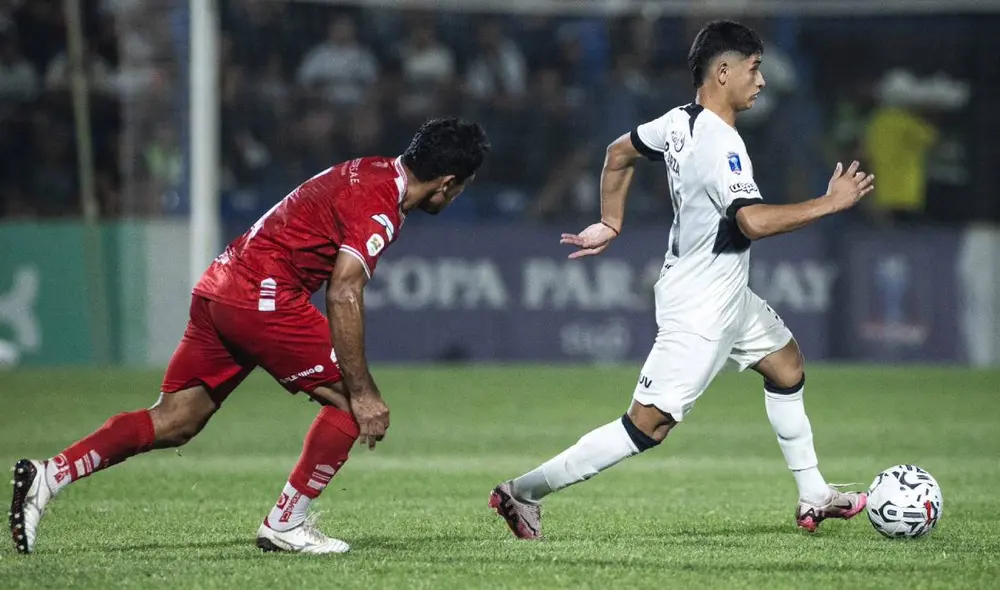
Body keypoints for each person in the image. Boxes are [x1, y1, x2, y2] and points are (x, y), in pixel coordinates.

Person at [10, 118, 490, 555]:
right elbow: (343, 289)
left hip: (221, 287)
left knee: (176, 420)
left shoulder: (370, 171)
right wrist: (364, 393)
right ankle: (286, 523)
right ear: (447, 183)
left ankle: (48, 475)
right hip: (264, 295)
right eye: (461, 188)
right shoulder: (379, 204)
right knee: (349, 404)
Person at [489, 20, 875, 540]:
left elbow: (617, 153)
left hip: (723, 291)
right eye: (754, 69)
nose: (761, 81)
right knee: (645, 426)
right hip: (702, 306)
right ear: (723, 71)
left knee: (786, 366)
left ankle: (813, 494)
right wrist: (831, 203)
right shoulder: (723, 144)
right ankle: (524, 491)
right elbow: (751, 222)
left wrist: (611, 220)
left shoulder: (678, 121)